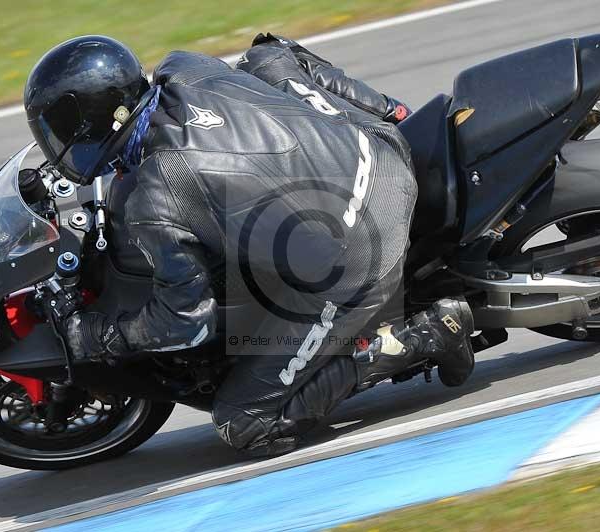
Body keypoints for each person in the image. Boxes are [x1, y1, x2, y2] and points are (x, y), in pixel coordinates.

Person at [24, 34, 475, 457]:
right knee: (266, 55)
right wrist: (392, 116)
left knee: (243, 422)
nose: (59, 145)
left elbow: (185, 322)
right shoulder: (184, 67)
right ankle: (397, 112)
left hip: (361, 253)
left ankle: (427, 333)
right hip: (380, 146)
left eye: (64, 133)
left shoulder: (155, 197)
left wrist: (98, 335)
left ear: (102, 121)